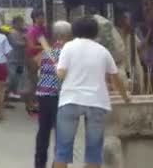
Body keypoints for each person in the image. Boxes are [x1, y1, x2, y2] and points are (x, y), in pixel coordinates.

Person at [53, 17, 130, 168]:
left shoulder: (68, 47)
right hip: (96, 102)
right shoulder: (103, 51)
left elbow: (61, 75)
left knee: (62, 150)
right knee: (94, 153)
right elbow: (115, 79)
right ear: (95, 32)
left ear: (74, 32)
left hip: (70, 100)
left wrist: (57, 68)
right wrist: (125, 97)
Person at [33, 21, 71, 168]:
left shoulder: (45, 51)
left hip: (43, 94)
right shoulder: (67, 52)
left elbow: (37, 63)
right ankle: (59, 164)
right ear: (68, 35)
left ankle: (39, 164)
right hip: (58, 96)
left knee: (43, 130)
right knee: (61, 133)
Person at [25, 10, 49, 114]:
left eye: (43, 17)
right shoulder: (32, 30)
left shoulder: (43, 29)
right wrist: (45, 47)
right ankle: (31, 104)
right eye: (41, 17)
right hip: (33, 57)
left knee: (40, 80)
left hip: (42, 56)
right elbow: (31, 46)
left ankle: (38, 103)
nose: (43, 19)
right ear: (35, 18)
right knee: (33, 81)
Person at [6, 16, 26, 100]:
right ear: (14, 24)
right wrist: (26, 42)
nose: (21, 25)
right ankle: (9, 92)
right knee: (12, 76)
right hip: (12, 59)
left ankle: (14, 92)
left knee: (18, 76)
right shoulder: (12, 33)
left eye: (22, 23)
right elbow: (16, 43)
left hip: (20, 59)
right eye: (19, 23)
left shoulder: (22, 33)